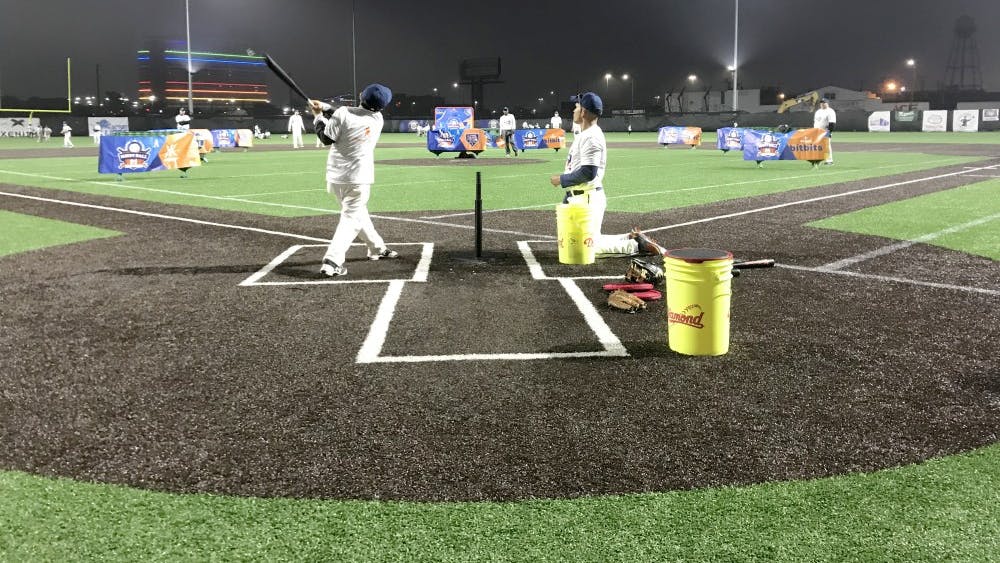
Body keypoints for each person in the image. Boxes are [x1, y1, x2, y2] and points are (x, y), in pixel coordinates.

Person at [547, 92, 665, 257]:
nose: (573, 110)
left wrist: (561, 179)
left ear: (584, 112)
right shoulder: (585, 134)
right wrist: (568, 196)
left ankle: (636, 246)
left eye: (577, 107)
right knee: (586, 241)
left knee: (588, 248)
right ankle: (631, 238)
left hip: (587, 198)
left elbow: (589, 172)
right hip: (580, 196)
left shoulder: (592, 136)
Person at [311, 83, 399, 277]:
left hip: (335, 178)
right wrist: (324, 108)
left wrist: (318, 115)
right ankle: (333, 261)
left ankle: (376, 248)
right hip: (359, 179)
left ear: (361, 96)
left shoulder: (342, 113)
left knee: (358, 214)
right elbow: (349, 114)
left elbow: (326, 139)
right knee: (351, 218)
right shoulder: (378, 119)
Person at [813, 98, 837, 165]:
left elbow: (832, 123)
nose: (822, 104)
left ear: (827, 103)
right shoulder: (818, 111)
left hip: (825, 131)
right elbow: (816, 122)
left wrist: (829, 132)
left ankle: (829, 160)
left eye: (824, 102)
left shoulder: (830, 111)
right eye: (821, 103)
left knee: (826, 146)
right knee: (818, 146)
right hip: (817, 131)